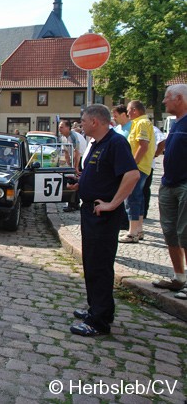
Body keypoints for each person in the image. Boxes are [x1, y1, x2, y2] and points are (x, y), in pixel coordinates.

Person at [68, 104, 139, 336]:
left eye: (84, 121)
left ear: (95, 122)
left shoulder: (116, 143)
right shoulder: (98, 143)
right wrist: (81, 184)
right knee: (91, 262)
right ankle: (96, 308)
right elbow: (101, 174)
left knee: (100, 265)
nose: (82, 124)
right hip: (90, 211)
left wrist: (112, 203)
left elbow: (132, 174)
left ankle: (99, 322)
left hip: (103, 215)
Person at [151, 84, 187, 298]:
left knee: (186, 233)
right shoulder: (176, 124)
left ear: (180, 99)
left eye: (167, 98)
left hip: (184, 185)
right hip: (169, 184)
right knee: (170, 232)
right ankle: (179, 277)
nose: (164, 101)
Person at [119, 100, 155, 243]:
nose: (127, 113)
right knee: (138, 198)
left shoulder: (141, 123)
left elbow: (143, 146)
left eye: (128, 110)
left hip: (138, 167)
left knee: (132, 198)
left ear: (134, 110)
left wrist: (132, 165)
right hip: (142, 166)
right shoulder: (143, 123)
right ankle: (138, 229)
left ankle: (132, 232)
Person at [59, 119, 87, 212]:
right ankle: (74, 203)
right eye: (59, 127)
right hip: (74, 159)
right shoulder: (63, 137)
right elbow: (66, 152)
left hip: (81, 158)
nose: (60, 129)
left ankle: (74, 204)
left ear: (68, 127)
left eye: (62, 127)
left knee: (74, 182)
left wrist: (75, 167)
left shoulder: (73, 136)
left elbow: (77, 152)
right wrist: (69, 165)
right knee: (71, 180)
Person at [143, 125, 166, 219]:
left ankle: (143, 212)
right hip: (134, 164)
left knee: (144, 188)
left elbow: (162, 142)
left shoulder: (152, 128)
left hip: (147, 164)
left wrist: (155, 154)